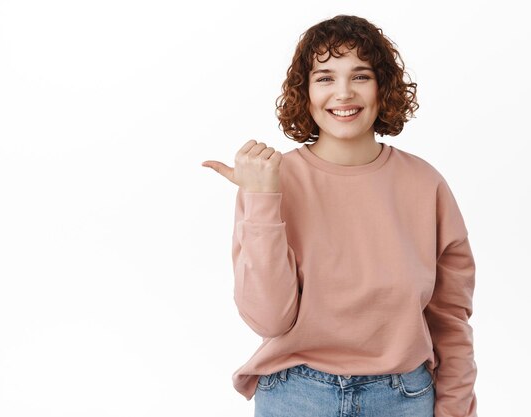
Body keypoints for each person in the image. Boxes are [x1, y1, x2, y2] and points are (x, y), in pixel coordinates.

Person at [201, 14, 477, 417]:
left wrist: (456, 409)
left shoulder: (425, 184)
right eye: (325, 77)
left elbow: (450, 318)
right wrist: (262, 197)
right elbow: (268, 319)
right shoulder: (272, 181)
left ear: (383, 88)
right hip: (294, 395)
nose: (343, 93)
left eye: (361, 76)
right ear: (306, 91)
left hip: (403, 397)